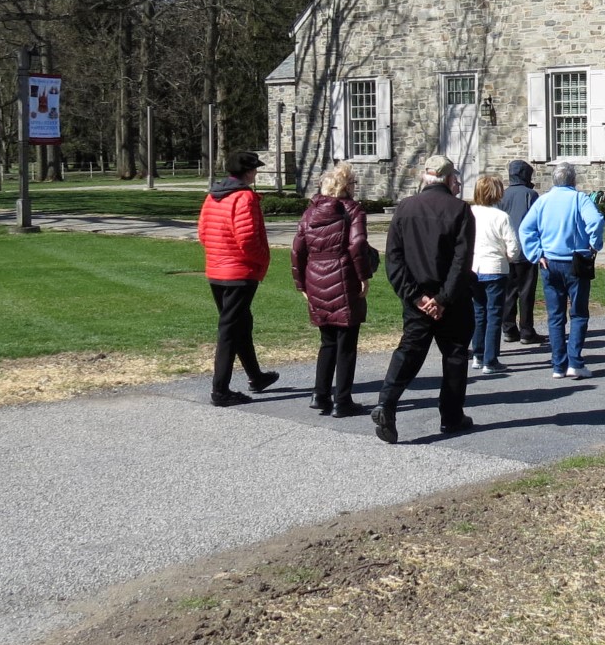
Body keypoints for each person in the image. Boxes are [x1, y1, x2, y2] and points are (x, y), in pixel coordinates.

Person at [373, 155, 478, 444]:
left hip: (417, 298)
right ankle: (451, 415)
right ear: (447, 178)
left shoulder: (405, 208)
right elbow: (462, 261)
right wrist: (442, 299)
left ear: (425, 178)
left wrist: (416, 297)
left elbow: (394, 260)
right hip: (450, 300)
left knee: (409, 351)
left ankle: (386, 402)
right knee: (455, 355)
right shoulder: (459, 210)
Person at [196, 150, 280, 406]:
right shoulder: (244, 197)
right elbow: (248, 239)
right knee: (230, 331)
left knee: (240, 323)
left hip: (217, 270)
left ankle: (256, 376)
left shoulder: (213, 195)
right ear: (247, 172)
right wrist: (262, 260)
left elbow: (202, 232)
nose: (256, 173)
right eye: (254, 169)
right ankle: (220, 390)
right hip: (239, 272)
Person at [291, 162, 373, 416]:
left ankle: (320, 392)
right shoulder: (353, 211)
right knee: (346, 342)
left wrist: (300, 282)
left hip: (315, 275)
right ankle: (343, 399)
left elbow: (297, 250)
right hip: (342, 273)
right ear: (347, 186)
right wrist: (364, 275)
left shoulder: (310, 213)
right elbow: (357, 244)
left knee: (327, 340)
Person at [518, 162, 605, 379]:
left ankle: (558, 365)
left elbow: (525, 228)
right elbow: (595, 221)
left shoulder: (543, 201)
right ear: (573, 179)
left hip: (550, 262)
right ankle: (575, 361)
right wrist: (595, 244)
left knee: (555, 316)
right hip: (576, 261)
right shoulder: (579, 199)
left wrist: (536, 253)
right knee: (578, 313)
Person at [468, 175, 521, 373]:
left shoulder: (469, 213)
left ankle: (478, 355)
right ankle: (490, 360)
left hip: (474, 267)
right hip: (495, 268)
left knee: (478, 312)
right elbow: (513, 247)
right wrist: (509, 257)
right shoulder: (501, 217)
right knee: (494, 314)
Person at [497, 160, 542, 345]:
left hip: (506, 251)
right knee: (526, 293)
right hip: (526, 251)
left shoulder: (502, 195)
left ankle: (508, 329)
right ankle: (526, 330)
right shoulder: (530, 194)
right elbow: (538, 221)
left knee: (509, 293)